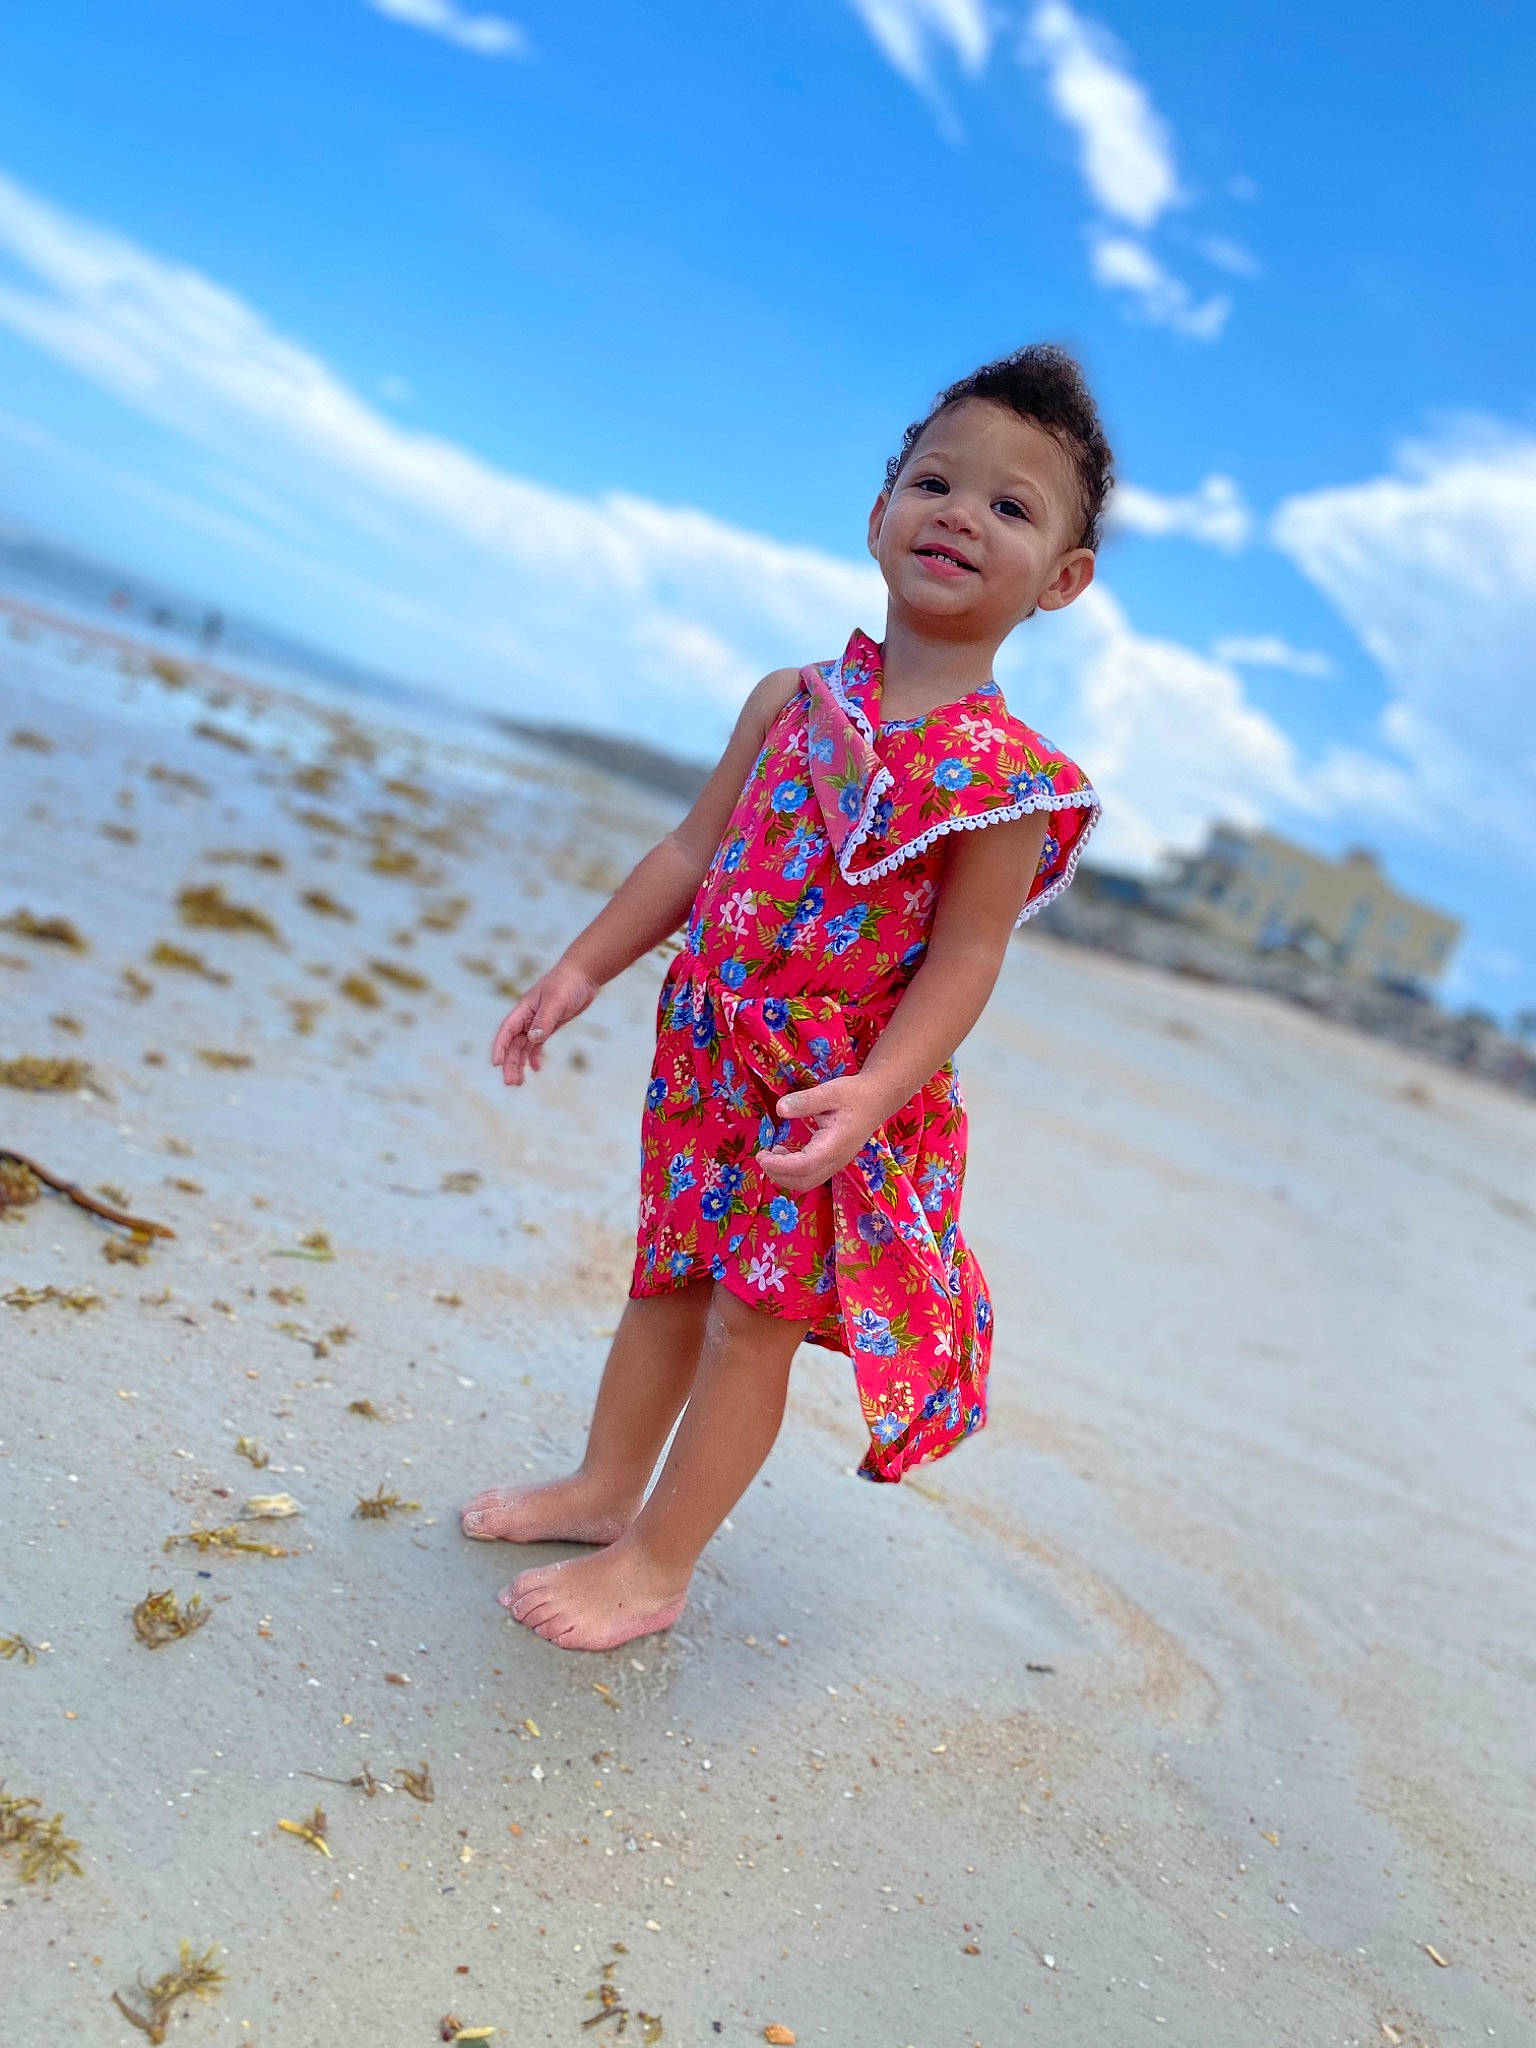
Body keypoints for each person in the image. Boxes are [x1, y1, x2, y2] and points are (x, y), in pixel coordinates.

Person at [462, 343, 1109, 1651]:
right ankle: (602, 1487)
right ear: (879, 511)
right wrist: (581, 968)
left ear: (1064, 580)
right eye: (936, 481)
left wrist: (877, 1092)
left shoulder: (1006, 780)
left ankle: (658, 1562)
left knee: (753, 1321)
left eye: (1011, 506)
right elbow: (689, 855)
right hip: (705, 1054)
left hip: (828, 1095)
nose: (959, 515)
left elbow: (964, 960)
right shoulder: (790, 701)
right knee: (668, 1278)